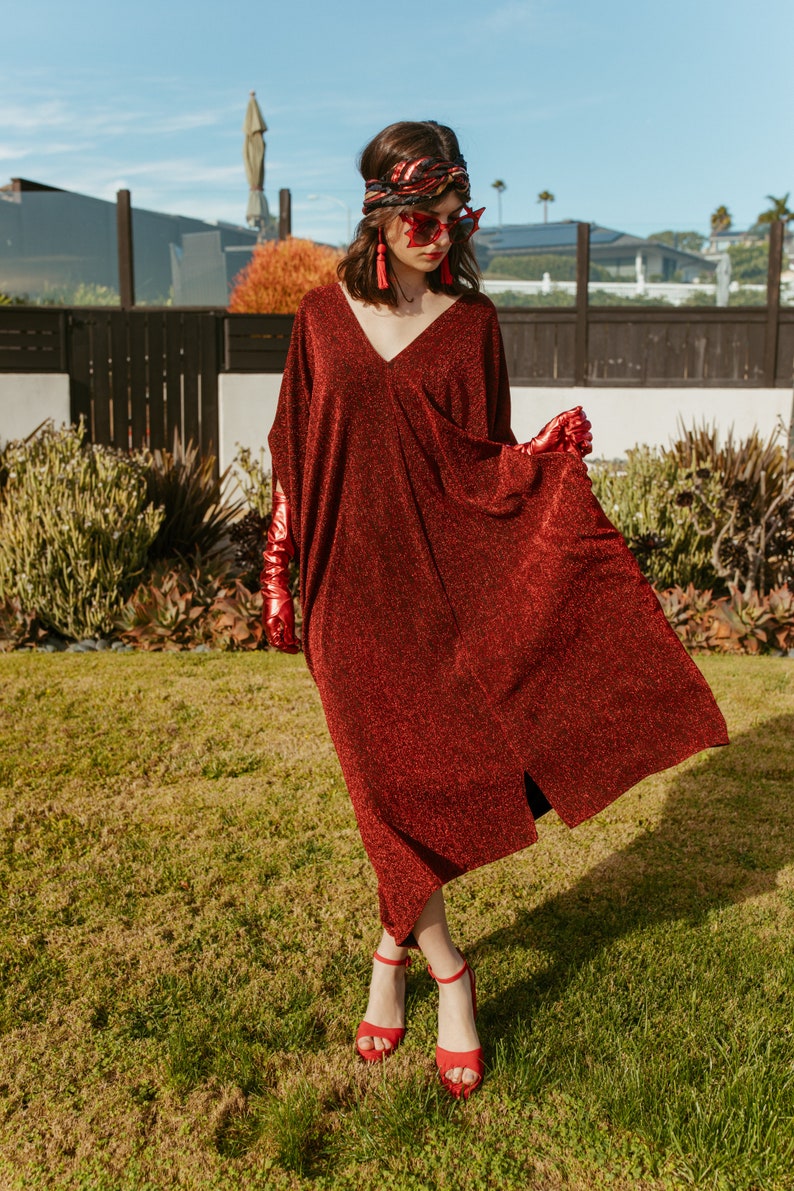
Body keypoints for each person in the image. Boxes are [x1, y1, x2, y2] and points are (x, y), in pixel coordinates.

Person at [261, 120, 728, 1100]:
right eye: (419, 214)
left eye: (453, 215)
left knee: (430, 790)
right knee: (382, 798)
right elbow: (290, 450)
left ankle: (389, 959)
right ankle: (448, 976)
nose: (436, 233)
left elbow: (479, 467)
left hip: (440, 601)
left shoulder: (473, 326)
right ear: (382, 212)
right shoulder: (318, 315)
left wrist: (544, 455)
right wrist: (276, 566)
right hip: (348, 597)